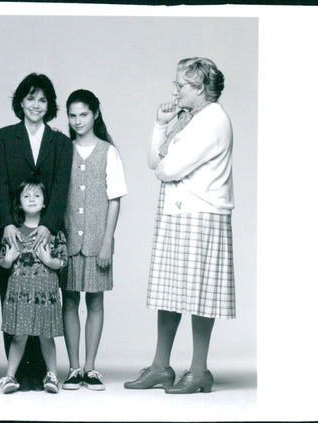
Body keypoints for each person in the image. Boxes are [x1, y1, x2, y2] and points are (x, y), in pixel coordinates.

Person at [124, 57, 235, 394]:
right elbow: (153, 160)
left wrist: (164, 165)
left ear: (201, 88)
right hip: (177, 213)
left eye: (181, 85)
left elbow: (168, 169)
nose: (175, 90)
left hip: (202, 214)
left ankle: (199, 371)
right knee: (169, 293)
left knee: (201, 294)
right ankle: (160, 367)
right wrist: (160, 124)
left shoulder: (212, 121)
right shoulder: (187, 118)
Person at [0, 73, 73, 391]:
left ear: (49, 105)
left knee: (44, 301)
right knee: (14, 299)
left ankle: (44, 372)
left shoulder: (61, 143)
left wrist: (48, 227)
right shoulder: (3, 137)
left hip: (47, 228)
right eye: (30, 98)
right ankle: (18, 374)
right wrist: (8, 223)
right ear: (21, 102)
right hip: (14, 227)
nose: (36, 105)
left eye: (42, 99)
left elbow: (61, 187)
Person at [59, 90, 127, 391]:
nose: (77, 121)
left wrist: (107, 241)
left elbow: (115, 199)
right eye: (72, 115)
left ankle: (90, 367)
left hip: (98, 239)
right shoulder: (63, 149)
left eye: (83, 114)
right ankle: (73, 368)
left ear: (95, 114)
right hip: (69, 239)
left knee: (95, 300)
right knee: (70, 299)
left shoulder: (108, 151)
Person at [0, 178, 67, 394]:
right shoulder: (12, 232)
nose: (32, 200)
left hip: (45, 291)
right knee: (19, 336)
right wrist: (8, 259)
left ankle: (52, 375)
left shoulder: (53, 232)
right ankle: (10, 376)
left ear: (45, 202)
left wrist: (48, 261)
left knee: (46, 336)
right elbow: (3, 262)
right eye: (26, 196)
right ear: (19, 202)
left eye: (37, 195)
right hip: (20, 292)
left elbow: (62, 261)